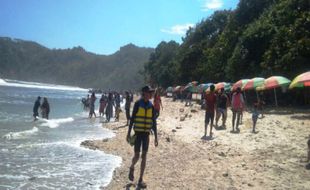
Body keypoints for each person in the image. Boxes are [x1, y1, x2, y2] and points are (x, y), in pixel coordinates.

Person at [126, 86, 158, 188]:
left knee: (144, 156)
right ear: (144, 93)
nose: (151, 94)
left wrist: (156, 137)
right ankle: (132, 167)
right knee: (136, 156)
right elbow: (132, 120)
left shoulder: (151, 106)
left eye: (151, 93)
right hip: (138, 134)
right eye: (149, 93)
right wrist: (128, 132)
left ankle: (140, 179)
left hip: (146, 135)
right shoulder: (137, 104)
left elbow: (154, 122)